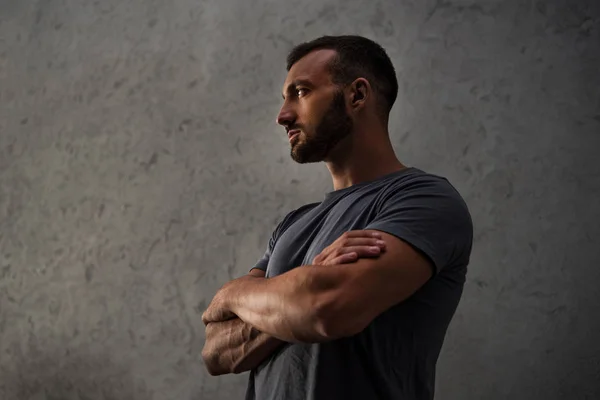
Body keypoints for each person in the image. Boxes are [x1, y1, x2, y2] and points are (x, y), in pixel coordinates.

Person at [201, 35, 473, 400]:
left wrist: (234, 294)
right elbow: (217, 352)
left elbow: (326, 311)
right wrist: (305, 281)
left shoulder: (425, 201)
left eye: (300, 92)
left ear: (356, 95)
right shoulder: (293, 224)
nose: (283, 115)